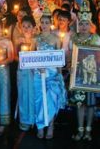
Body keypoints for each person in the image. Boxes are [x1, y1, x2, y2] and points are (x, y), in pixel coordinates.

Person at [70, 0, 100, 141]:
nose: (84, 26)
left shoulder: (96, 39)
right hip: (78, 75)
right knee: (79, 103)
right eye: (81, 24)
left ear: (91, 25)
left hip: (91, 75)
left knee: (90, 104)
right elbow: (71, 56)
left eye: (86, 24)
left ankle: (88, 131)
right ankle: (80, 129)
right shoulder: (74, 38)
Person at [31, 8, 66, 139]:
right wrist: (36, 67)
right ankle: (40, 126)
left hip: (52, 74)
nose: (44, 25)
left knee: (51, 99)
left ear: (50, 23)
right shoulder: (35, 39)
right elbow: (30, 57)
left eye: (47, 22)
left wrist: (60, 74)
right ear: (39, 24)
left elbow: (59, 58)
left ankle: (50, 125)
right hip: (39, 74)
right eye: (42, 22)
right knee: (39, 100)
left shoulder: (56, 39)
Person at [15, 16, 37, 131]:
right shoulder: (18, 40)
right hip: (22, 69)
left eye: (29, 26)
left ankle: (33, 118)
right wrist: (22, 59)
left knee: (33, 93)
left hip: (33, 70)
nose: (26, 28)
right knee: (23, 93)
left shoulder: (36, 40)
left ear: (34, 28)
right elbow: (14, 55)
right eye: (24, 26)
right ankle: (24, 119)